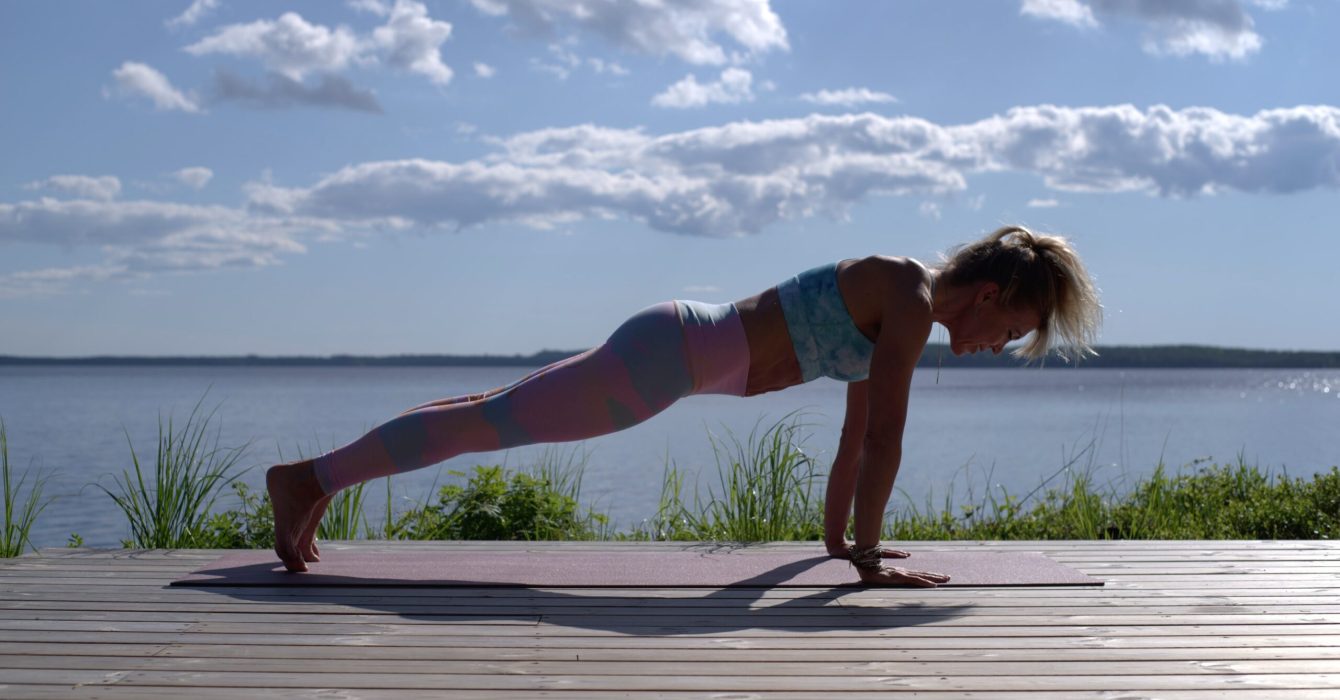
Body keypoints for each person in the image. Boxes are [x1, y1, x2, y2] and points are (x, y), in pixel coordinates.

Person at [267, 225, 1101, 585]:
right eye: (1014, 328)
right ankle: (311, 480)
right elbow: (887, 435)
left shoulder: (902, 304)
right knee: (492, 423)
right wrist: (875, 558)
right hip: (674, 356)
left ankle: (315, 480)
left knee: (492, 410)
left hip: (676, 349)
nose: (1000, 344)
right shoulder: (910, 297)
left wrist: (842, 542)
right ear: (991, 293)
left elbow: (856, 438)